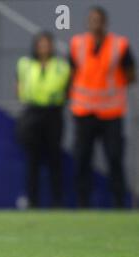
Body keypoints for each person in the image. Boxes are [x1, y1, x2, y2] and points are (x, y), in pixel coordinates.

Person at [69, 6, 136, 208]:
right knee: (82, 159)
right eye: (92, 19)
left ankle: (119, 203)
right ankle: (83, 204)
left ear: (105, 22)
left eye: (98, 19)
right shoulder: (77, 44)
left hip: (111, 112)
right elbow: (72, 73)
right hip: (84, 111)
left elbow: (131, 74)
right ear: (88, 23)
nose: (95, 23)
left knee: (115, 158)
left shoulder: (120, 45)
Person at [16, 31, 71, 207]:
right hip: (33, 113)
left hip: (53, 113)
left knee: (55, 158)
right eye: (41, 44)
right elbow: (20, 87)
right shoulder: (25, 64)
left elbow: (60, 87)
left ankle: (57, 201)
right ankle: (33, 201)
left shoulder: (61, 66)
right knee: (33, 160)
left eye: (47, 44)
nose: (44, 47)